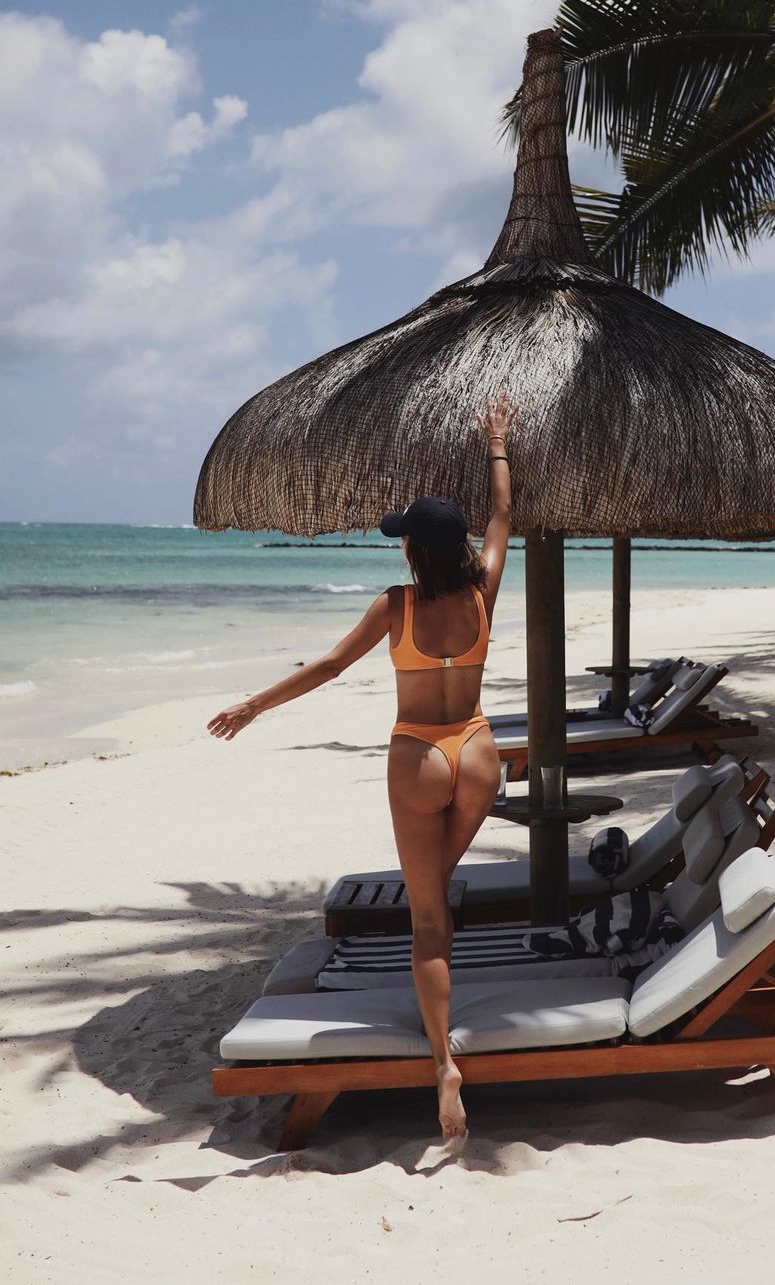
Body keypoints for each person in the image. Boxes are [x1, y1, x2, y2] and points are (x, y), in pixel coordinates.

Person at [207, 392, 518, 1140]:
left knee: (428, 921)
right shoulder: (484, 590)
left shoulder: (396, 605)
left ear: (414, 551)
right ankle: (443, 1043)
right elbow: (505, 516)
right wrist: (497, 444)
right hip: (478, 752)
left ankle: (444, 1065)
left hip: (419, 755)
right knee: (436, 896)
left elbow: (329, 667)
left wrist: (255, 704)